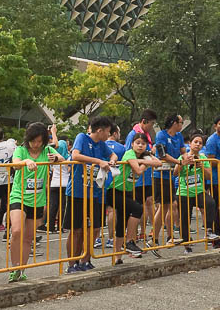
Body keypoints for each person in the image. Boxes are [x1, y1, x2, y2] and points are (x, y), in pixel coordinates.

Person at [8, 122, 65, 281]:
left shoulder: (47, 150)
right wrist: (25, 162)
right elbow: (15, 163)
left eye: (40, 141)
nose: (36, 145)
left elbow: (62, 158)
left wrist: (56, 158)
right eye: (33, 141)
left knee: (28, 237)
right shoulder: (21, 149)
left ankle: (21, 269)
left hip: (38, 199)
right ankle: (14, 266)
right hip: (19, 196)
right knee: (17, 231)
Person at [65, 116, 117, 273]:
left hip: (95, 192)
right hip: (77, 191)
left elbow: (112, 155)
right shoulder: (82, 137)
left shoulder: (102, 144)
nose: (108, 135)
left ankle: (85, 259)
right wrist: (98, 161)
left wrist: (112, 160)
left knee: (94, 227)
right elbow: (75, 155)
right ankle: (71, 263)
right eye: (107, 132)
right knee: (77, 229)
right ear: (99, 130)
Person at [113, 133, 162, 260]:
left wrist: (147, 158)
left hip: (128, 191)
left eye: (143, 143)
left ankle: (118, 257)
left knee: (122, 222)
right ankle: (129, 242)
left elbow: (158, 163)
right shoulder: (129, 153)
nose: (140, 146)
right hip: (116, 190)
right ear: (132, 144)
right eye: (138, 143)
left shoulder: (144, 155)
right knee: (137, 209)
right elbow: (138, 170)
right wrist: (146, 162)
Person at [175, 132, 220, 252]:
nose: (198, 145)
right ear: (190, 143)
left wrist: (201, 165)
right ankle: (186, 245)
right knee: (185, 219)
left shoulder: (203, 158)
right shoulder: (183, 156)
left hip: (199, 191)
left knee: (211, 203)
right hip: (183, 192)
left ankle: (208, 230)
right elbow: (175, 173)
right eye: (195, 142)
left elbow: (208, 176)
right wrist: (183, 163)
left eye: (200, 143)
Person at [150, 115, 184, 247]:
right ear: (174, 123)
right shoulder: (161, 135)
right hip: (161, 175)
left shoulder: (179, 136)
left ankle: (170, 236)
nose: (181, 125)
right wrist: (179, 162)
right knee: (163, 207)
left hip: (172, 176)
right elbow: (162, 154)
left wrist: (189, 158)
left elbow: (183, 151)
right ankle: (154, 238)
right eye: (180, 122)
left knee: (172, 205)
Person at [0, 127, 16, 232]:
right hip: (9, 178)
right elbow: (14, 143)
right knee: (8, 204)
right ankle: (7, 230)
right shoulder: (10, 145)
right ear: (3, 135)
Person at [46, 126, 70, 232]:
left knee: (53, 206)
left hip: (54, 183)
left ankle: (50, 227)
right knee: (63, 206)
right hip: (65, 183)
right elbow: (70, 170)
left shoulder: (53, 157)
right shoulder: (68, 158)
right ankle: (61, 226)